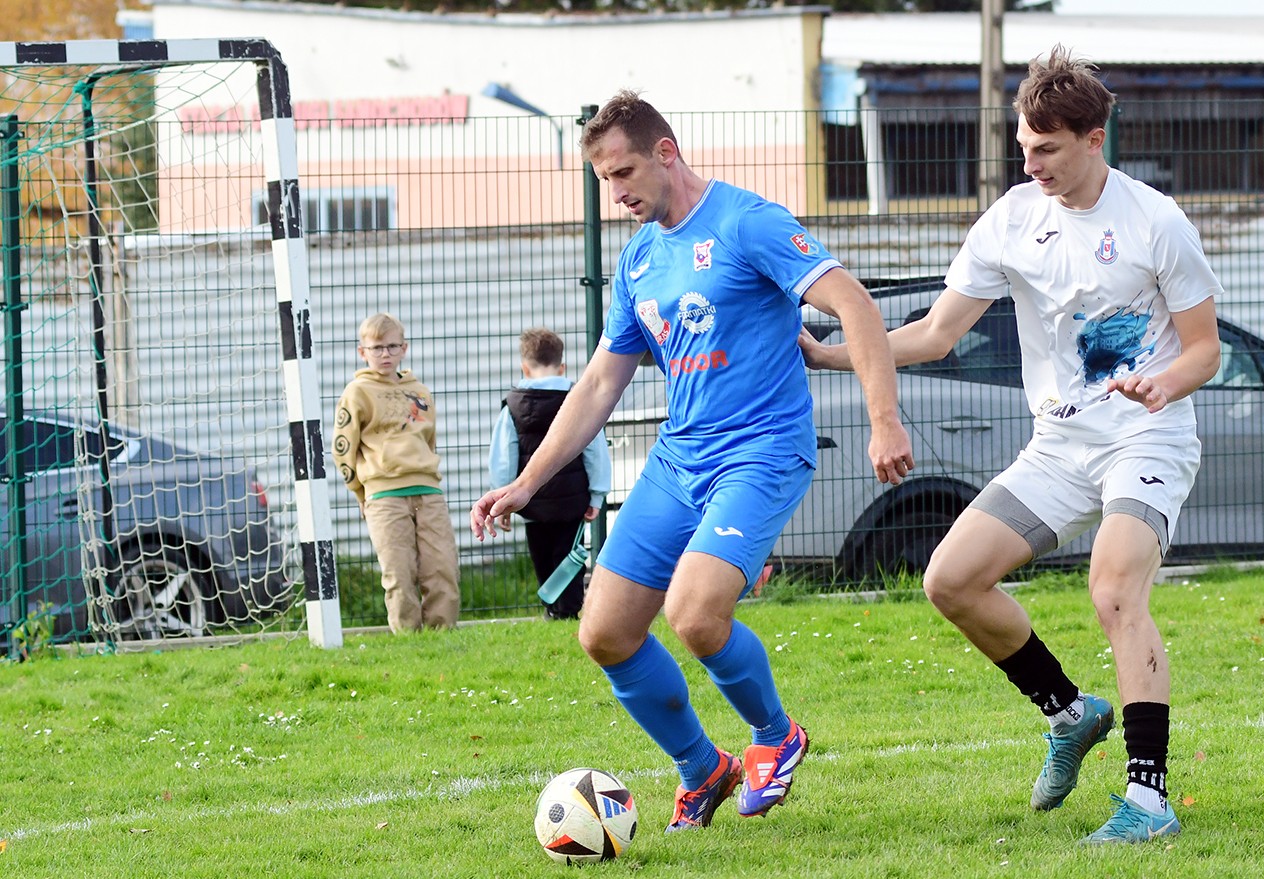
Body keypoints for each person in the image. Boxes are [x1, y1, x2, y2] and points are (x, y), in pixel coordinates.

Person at [801, 47, 1223, 844]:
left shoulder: (1155, 221)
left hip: (1146, 437)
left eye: (1047, 149)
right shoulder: (1012, 220)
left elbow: (1204, 350)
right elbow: (936, 332)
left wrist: (1164, 385)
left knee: (1113, 590)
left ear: (1094, 138)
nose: (1031, 166)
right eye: (1023, 148)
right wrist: (831, 356)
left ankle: (1148, 801)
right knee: (950, 580)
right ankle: (1069, 714)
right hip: (1059, 447)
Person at [471, 90, 913, 833]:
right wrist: (525, 482)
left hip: (761, 453)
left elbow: (855, 305)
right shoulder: (639, 258)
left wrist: (884, 420)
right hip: (681, 460)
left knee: (696, 614)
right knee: (603, 632)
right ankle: (702, 768)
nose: (616, 194)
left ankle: (776, 736)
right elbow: (600, 383)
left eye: (623, 173)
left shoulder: (747, 222)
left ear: (666, 152)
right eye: (604, 181)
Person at [334, 312, 461, 633]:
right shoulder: (357, 392)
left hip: (428, 492)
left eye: (392, 346)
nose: (385, 354)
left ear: (404, 348)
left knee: (442, 567)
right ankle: (408, 637)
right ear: (362, 352)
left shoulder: (419, 391)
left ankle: (441, 635)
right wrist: (361, 492)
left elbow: (428, 441)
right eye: (376, 348)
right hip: (384, 495)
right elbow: (343, 449)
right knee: (398, 572)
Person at [488, 326, 611, 620]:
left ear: (524, 368)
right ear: (562, 366)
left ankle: (552, 608)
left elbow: (503, 457)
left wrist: (502, 499)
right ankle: (568, 608)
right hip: (572, 498)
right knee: (569, 553)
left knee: (541, 552)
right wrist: (597, 494)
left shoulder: (513, 406)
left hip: (533, 500)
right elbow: (595, 450)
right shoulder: (577, 401)